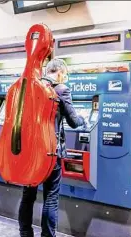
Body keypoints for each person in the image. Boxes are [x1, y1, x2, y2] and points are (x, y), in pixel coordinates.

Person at [18, 58, 86, 237]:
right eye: (65, 75)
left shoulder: (32, 88)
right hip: (50, 151)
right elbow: (73, 121)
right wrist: (84, 120)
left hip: (30, 151)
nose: (65, 78)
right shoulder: (61, 89)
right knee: (51, 197)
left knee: (28, 195)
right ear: (60, 72)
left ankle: (25, 233)